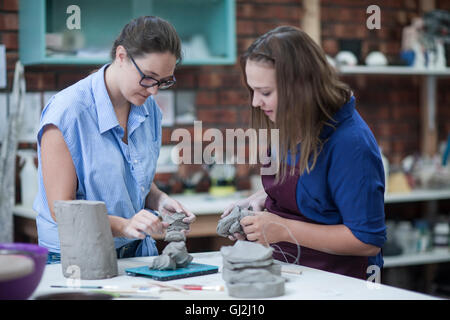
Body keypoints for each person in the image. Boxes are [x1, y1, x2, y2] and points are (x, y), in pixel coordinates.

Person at [222, 26, 386, 280]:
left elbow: (366, 239)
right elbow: (302, 185)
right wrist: (256, 200)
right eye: (252, 91)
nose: (255, 102)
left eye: (265, 93)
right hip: (288, 272)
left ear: (301, 87)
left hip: (338, 283)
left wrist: (282, 229)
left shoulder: (351, 144)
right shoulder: (289, 122)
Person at [34, 16, 195, 264]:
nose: (153, 91)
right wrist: (125, 225)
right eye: (149, 77)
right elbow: (61, 210)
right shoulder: (68, 112)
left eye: (163, 82)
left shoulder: (149, 110)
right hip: (75, 257)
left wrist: (160, 200)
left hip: (135, 252)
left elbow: (133, 181)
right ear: (121, 56)